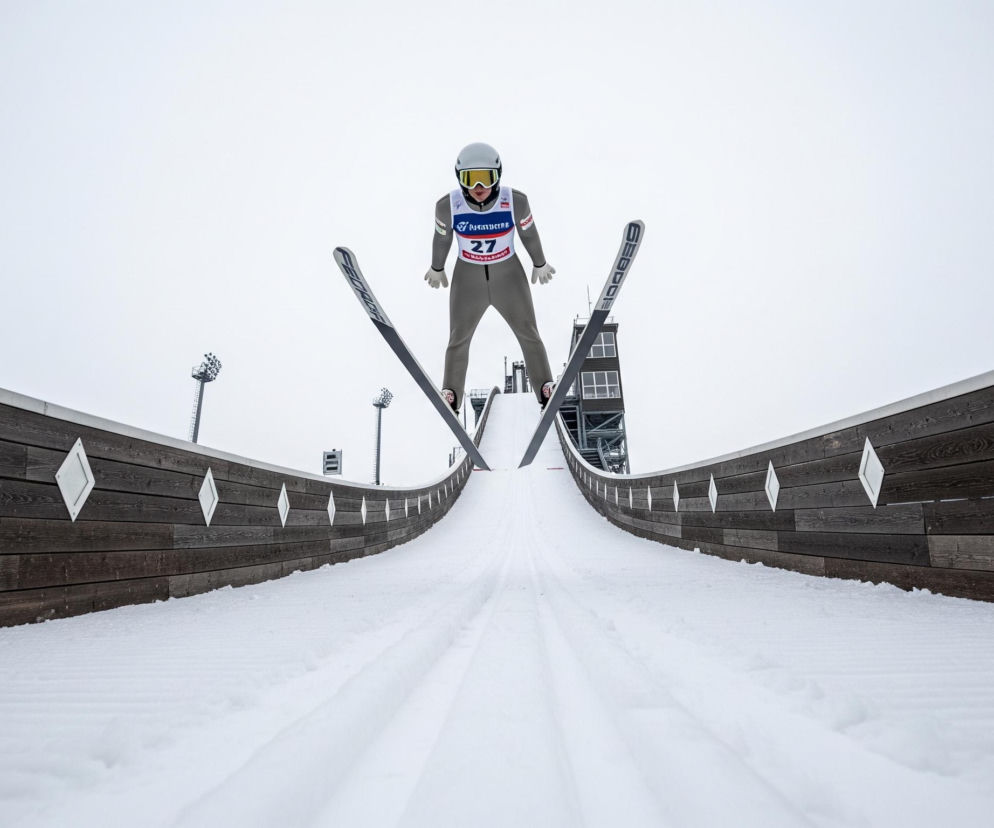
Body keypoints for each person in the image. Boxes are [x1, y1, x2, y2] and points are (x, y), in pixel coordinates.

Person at [425, 142, 556, 413]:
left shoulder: (515, 201)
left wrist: (539, 262)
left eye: (486, 177)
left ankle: (544, 386)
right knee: (458, 337)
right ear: (460, 179)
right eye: (470, 179)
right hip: (468, 277)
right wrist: (437, 267)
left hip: (508, 275)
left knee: (528, 332)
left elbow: (529, 234)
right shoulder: (448, 206)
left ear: (498, 176)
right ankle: (452, 391)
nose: (478, 186)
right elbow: (442, 239)